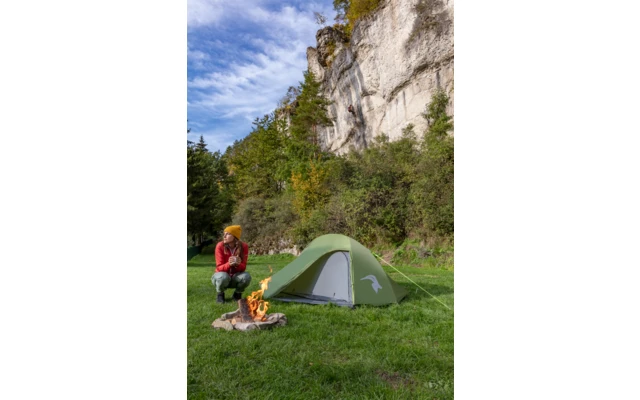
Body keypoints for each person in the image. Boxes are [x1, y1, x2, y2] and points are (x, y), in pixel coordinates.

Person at [212, 225, 251, 304]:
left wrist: (238, 264)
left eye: (228, 234)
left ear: (235, 236)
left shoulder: (244, 246)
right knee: (222, 277)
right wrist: (229, 264)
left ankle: (237, 294)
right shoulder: (220, 246)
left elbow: (243, 267)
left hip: (235, 277)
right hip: (222, 277)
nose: (224, 236)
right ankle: (220, 294)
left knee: (246, 277)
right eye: (224, 234)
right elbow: (219, 268)